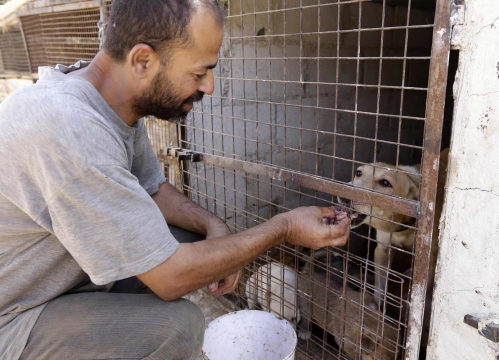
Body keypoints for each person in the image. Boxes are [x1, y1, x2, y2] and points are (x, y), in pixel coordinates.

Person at [0, 1, 351, 359]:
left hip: (61, 282)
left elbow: (152, 191)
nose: (210, 86)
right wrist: (284, 228)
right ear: (142, 61)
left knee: (193, 238)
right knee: (179, 326)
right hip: (14, 315)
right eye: (199, 73)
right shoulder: (69, 129)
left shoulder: (112, 103)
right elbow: (170, 280)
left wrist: (216, 227)